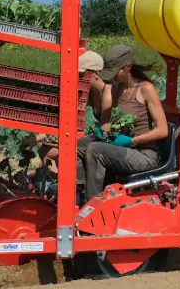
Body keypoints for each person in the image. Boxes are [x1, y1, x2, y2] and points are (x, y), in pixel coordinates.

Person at [84, 44, 169, 198]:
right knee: (80, 145)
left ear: (128, 67)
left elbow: (163, 130)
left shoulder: (145, 89)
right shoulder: (117, 88)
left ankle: (93, 203)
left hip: (144, 155)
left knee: (95, 150)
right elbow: (113, 121)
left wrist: (131, 140)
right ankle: (77, 193)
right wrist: (104, 130)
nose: (113, 77)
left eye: (116, 72)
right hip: (125, 150)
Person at [20, 50, 111, 185]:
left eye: (81, 75)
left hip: (104, 144)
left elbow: (105, 132)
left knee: (62, 152)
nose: (79, 79)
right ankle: (59, 183)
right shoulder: (87, 92)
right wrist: (38, 138)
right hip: (91, 141)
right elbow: (69, 120)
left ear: (96, 73)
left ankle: (76, 188)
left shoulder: (107, 93)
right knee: (44, 146)